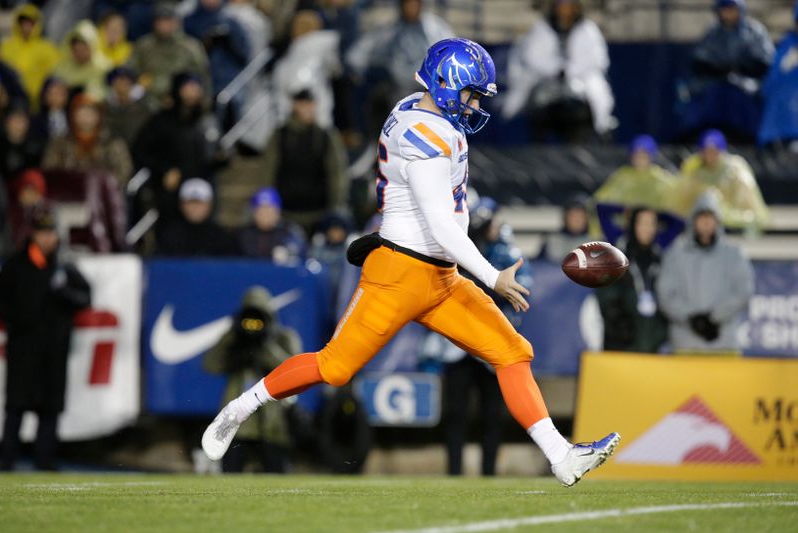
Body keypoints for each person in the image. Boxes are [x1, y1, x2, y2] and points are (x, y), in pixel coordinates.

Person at [202, 38, 619, 487]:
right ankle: (238, 409)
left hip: (440, 278)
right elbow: (441, 227)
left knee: (513, 353)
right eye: (471, 93)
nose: (475, 103)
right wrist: (492, 276)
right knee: (334, 367)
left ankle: (561, 457)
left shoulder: (419, 110)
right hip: (399, 275)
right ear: (445, 83)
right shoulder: (424, 136)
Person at [437, 195, 533, 477]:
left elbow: (521, 290)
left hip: (490, 341)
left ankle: (488, 474)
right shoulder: (455, 249)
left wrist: (482, 281)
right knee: (455, 413)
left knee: (491, 415)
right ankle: (453, 472)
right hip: (456, 341)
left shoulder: (505, 252)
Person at [0, 208, 91, 471]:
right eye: (42, 232)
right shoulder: (15, 265)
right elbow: (2, 303)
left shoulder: (64, 266)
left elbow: (85, 298)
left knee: (50, 407)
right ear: (34, 234)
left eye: (51, 232)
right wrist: (19, 322)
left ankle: (44, 459)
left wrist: (64, 292)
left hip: (54, 349)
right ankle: (7, 459)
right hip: (23, 347)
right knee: (16, 404)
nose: (47, 238)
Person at [203, 286, 300, 473]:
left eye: (259, 319)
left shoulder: (282, 338)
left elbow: (293, 372)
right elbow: (210, 365)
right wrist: (232, 335)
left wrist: (266, 344)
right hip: (237, 426)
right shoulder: (234, 340)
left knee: (277, 479)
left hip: (272, 423)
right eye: (248, 320)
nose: (253, 326)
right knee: (230, 479)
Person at [502, 0, 614, 141]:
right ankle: (507, 119)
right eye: (561, 7)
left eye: (568, 7)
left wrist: (569, 71)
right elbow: (532, 56)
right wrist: (556, 69)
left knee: (599, 91)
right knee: (523, 85)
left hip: (581, 76)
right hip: (546, 75)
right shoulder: (542, 27)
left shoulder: (588, 29)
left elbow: (597, 59)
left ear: (575, 8)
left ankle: (603, 126)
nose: (564, 11)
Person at [657, 193, 754, 355]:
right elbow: (666, 294)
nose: (706, 223)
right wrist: (692, 318)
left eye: (711, 217)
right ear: (693, 221)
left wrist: (714, 318)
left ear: (717, 222)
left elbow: (743, 291)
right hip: (685, 345)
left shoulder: (734, 255)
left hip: (724, 343)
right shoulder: (674, 255)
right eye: (701, 217)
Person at [346, 0, 453, 138]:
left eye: (414, 4)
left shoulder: (436, 28)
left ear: (421, 5)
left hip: (429, 87)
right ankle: (389, 140)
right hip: (395, 86)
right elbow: (355, 56)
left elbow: (452, 56)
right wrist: (368, 69)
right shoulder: (389, 29)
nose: (410, 8)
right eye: (407, 4)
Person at [133, 72, 220, 227]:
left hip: (202, 186)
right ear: (177, 90)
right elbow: (140, 150)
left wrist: (221, 157)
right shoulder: (161, 121)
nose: (192, 93)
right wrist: (163, 170)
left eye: (196, 87)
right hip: (170, 192)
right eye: (187, 87)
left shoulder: (206, 119)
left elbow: (213, 155)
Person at [681, 0, 773, 141]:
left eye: (731, 9)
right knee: (706, 98)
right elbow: (699, 63)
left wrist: (740, 68)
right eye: (724, 9)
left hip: (747, 89)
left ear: (740, 10)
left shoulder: (754, 31)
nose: (727, 14)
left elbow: (764, 63)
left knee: (740, 100)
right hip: (716, 86)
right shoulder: (713, 33)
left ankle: (745, 138)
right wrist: (720, 70)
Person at [261, 89, 349, 234]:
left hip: (320, 214)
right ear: (294, 105)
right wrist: (269, 205)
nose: (306, 108)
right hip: (285, 213)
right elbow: (268, 170)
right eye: (302, 104)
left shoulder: (325, 136)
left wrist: (337, 206)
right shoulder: (280, 135)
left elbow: (337, 172)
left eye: (309, 104)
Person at [596, 207, 669, 353]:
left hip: (652, 345)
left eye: (652, 224)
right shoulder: (615, 256)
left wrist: (661, 331)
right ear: (632, 225)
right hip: (621, 343)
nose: (647, 228)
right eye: (642, 223)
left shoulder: (660, 259)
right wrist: (618, 322)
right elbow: (605, 296)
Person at [674, 129, 769, 232]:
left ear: (722, 151)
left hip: (732, 227)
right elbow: (681, 202)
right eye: (707, 151)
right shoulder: (693, 168)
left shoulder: (735, 169)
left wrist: (727, 215)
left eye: (714, 151)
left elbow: (750, 205)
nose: (710, 156)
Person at [127, 4, 212, 108]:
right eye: (160, 21)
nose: (163, 25)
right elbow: (130, 71)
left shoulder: (190, 46)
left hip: (182, 103)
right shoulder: (144, 45)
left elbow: (203, 75)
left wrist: (205, 104)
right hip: (148, 102)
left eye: (167, 20)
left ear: (176, 22)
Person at [42, 92, 133, 188]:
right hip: (69, 196)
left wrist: (102, 185)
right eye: (81, 112)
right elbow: (49, 170)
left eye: (90, 112)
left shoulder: (112, 142)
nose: (86, 117)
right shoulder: (60, 143)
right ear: (73, 116)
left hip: (104, 196)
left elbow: (124, 170)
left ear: (98, 116)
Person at [593, 135, 679, 214]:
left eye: (644, 155)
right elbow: (601, 199)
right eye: (636, 155)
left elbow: (674, 201)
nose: (640, 159)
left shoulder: (660, 177)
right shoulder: (622, 175)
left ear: (651, 156)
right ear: (631, 156)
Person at [0, 4, 60, 111]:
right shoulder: (6, 46)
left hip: (39, 102)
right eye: (23, 23)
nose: (26, 27)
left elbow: (53, 75)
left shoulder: (47, 48)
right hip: (11, 101)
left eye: (30, 24)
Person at [156, 177, 237, 257]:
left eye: (199, 203)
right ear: (181, 205)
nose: (195, 207)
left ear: (209, 205)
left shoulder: (221, 237)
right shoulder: (170, 236)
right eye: (190, 202)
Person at [758, 3, 798, 147]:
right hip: (788, 94)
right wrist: (786, 65)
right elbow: (771, 81)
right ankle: (785, 138)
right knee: (783, 96)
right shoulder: (788, 43)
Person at [238, 187, 307, 263]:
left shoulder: (290, 231)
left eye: (270, 210)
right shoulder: (244, 234)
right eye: (261, 210)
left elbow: (301, 254)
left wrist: (288, 254)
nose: (265, 214)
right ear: (254, 213)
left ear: (278, 211)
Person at [51, 20, 112, 101]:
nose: (80, 53)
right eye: (76, 50)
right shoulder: (60, 68)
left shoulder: (105, 67)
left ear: (92, 47)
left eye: (84, 49)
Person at [104, 67, 153, 149]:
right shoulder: (107, 107)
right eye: (117, 81)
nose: (121, 84)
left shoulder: (146, 103)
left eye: (124, 80)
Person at [0, 105, 46, 184]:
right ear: (6, 122)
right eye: (15, 120)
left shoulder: (36, 148)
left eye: (22, 120)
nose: (18, 124)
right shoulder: (0, 145)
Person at [540, 194, 591, 262]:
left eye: (581, 216)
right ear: (565, 218)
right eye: (573, 216)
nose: (577, 220)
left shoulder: (597, 245)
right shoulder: (551, 241)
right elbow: (539, 266)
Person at [31, 76, 69, 141]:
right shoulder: (37, 120)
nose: (56, 98)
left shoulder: (71, 116)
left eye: (60, 94)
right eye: (52, 93)